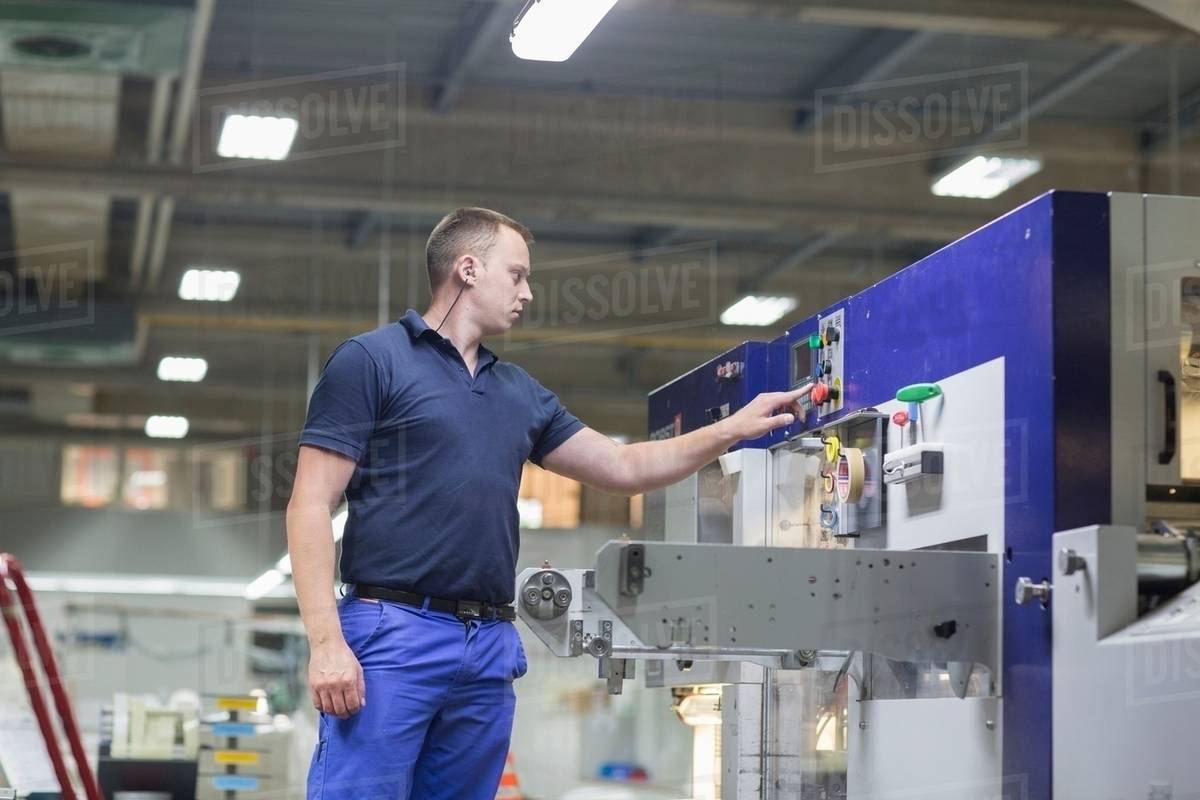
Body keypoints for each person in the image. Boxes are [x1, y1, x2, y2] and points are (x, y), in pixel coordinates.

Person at [287, 207, 811, 799]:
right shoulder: (371, 362)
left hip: (486, 643)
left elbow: (622, 467)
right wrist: (327, 643)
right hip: (394, 631)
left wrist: (732, 428)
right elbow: (310, 503)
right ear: (466, 269)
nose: (527, 293)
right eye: (517, 275)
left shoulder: (519, 394)